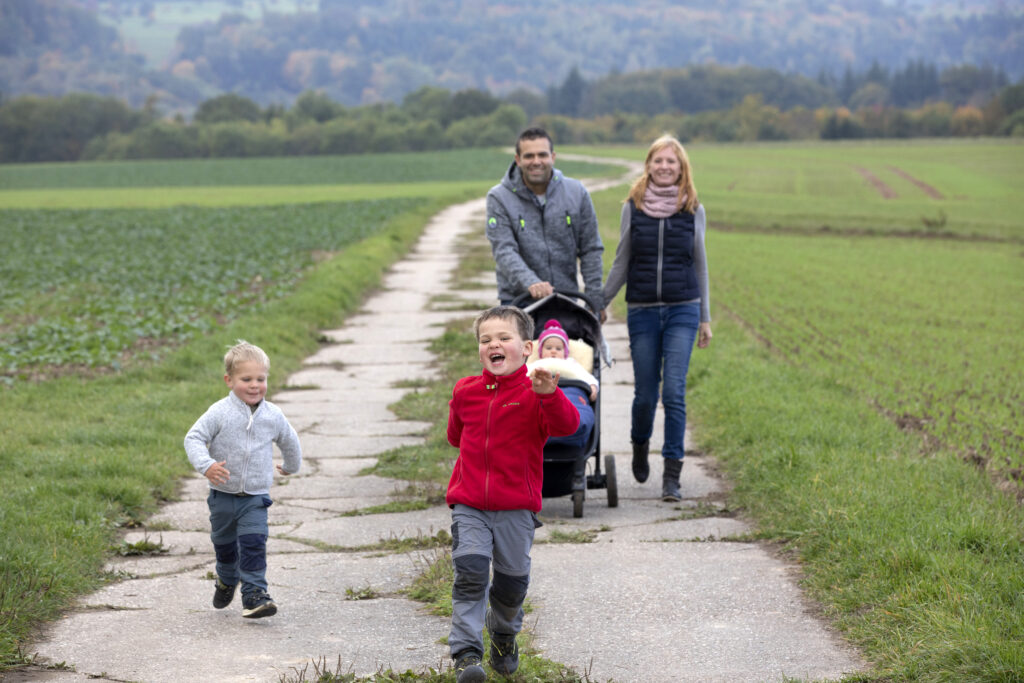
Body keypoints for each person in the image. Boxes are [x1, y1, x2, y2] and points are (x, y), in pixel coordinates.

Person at [445, 306, 579, 682]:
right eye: (486, 340)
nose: (494, 345)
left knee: (511, 583)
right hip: (469, 502)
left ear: (526, 347)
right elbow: (456, 436)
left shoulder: (537, 391)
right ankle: (466, 654)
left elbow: (567, 426)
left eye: (504, 338)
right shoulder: (465, 390)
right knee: (470, 571)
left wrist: (550, 396)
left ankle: (503, 635)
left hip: (516, 508)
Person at [602, 134, 712, 503]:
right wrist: (601, 301)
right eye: (658, 160)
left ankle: (672, 475)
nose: (665, 167)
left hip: (684, 307)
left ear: (682, 168)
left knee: (674, 391)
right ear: (648, 164)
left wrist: (705, 318)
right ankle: (639, 444)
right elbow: (622, 260)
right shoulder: (632, 207)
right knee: (646, 394)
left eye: (672, 162)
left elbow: (701, 264)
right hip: (643, 310)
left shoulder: (693, 208)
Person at [184, 340, 302, 618]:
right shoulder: (219, 412)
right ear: (229, 380)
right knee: (224, 547)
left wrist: (291, 466)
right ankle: (226, 579)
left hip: (255, 496)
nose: (254, 385)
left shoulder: (273, 415)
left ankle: (254, 595)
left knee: (253, 542)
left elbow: (290, 440)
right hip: (222, 495)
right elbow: (194, 438)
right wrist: (207, 465)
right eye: (246, 379)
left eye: (260, 379)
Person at [485, 127, 605, 320]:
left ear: (553, 157)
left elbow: (590, 248)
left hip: (565, 301)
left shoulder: (576, 192)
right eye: (529, 156)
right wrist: (531, 282)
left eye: (542, 155)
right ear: (518, 159)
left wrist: (594, 299)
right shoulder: (499, 197)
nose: (536, 162)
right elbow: (504, 250)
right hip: (519, 303)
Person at [527, 318, 598, 450]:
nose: (553, 351)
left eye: (558, 348)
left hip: (571, 392)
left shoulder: (571, 364)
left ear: (565, 352)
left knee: (574, 410)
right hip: (541, 394)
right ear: (540, 351)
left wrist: (593, 386)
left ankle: (569, 423)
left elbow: (587, 377)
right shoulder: (535, 365)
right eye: (548, 348)